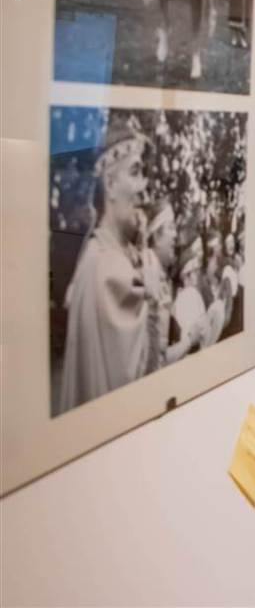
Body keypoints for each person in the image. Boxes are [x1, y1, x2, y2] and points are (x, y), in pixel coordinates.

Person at [58, 125, 150, 414]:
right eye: (134, 172)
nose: (143, 186)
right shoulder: (108, 268)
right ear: (110, 184)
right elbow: (140, 378)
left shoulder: (102, 253)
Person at [141, 198, 199, 372]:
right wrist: (190, 339)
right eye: (171, 227)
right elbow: (158, 362)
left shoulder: (156, 271)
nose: (175, 235)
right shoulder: (150, 274)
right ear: (156, 236)